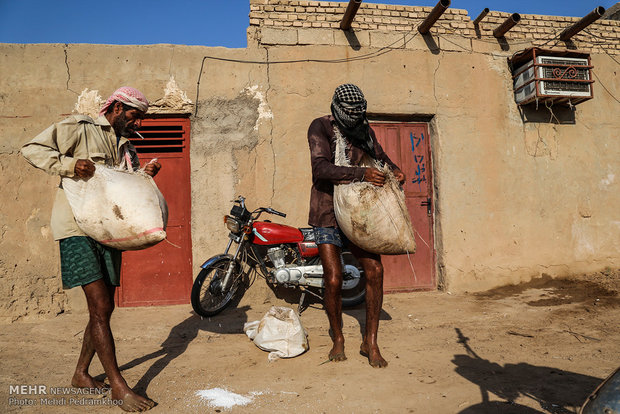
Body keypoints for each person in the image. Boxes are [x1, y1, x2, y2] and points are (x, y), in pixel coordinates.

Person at [21, 87, 161, 411]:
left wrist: (144, 176)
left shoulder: (126, 146)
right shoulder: (81, 127)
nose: (136, 121)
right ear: (114, 107)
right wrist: (70, 165)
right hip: (75, 227)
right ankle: (118, 386)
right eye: (133, 114)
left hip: (106, 231)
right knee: (99, 304)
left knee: (105, 308)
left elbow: (123, 187)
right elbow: (32, 149)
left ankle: (81, 374)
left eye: (140, 117)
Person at [307, 84, 405, 368]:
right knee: (334, 278)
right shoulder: (320, 127)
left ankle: (370, 341)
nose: (355, 118)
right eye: (350, 114)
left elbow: (380, 158)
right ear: (337, 110)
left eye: (359, 114)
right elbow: (320, 168)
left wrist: (394, 169)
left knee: (374, 270)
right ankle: (338, 337)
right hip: (326, 212)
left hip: (360, 214)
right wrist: (361, 173)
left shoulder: (365, 129)